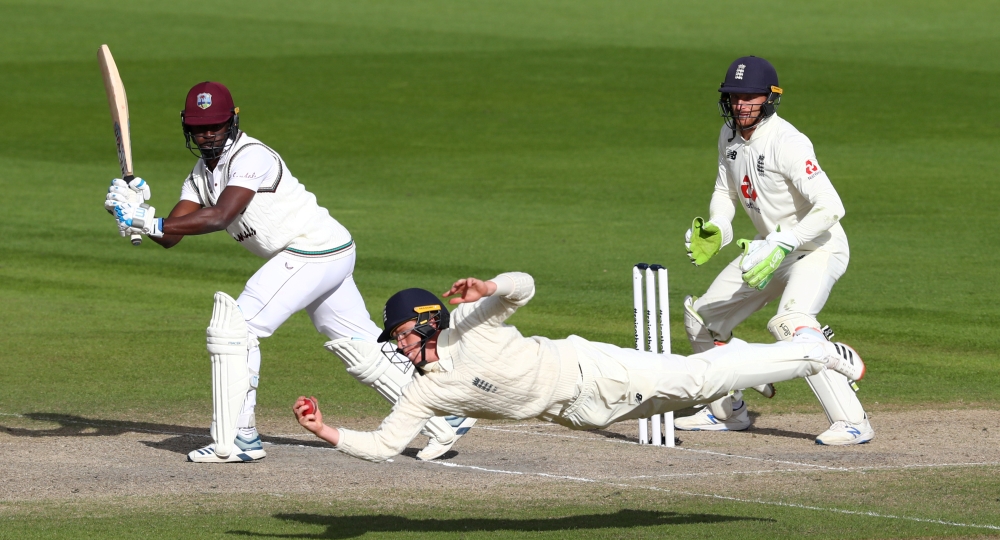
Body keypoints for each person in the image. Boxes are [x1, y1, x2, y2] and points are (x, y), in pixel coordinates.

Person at [104, 81, 474, 463]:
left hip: (312, 249)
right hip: (322, 252)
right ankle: (445, 412)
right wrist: (134, 214)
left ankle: (238, 438)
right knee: (359, 345)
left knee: (237, 328)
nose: (206, 134)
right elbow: (170, 236)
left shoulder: (251, 157)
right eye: (199, 127)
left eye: (214, 125)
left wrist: (148, 221)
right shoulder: (200, 174)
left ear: (232, 121)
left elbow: (221, 216)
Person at [292, 272, 866, 463]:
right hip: (582, 413)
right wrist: (326, 430)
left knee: (702, 379)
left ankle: (814, 350)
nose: (395, 346)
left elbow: (524, 288)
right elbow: (386, 446)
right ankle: (759, 365)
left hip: (593, 369)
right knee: (697, 394)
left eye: (396, 333)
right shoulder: (425, 394)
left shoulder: (470, 324)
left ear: (421, 322)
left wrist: (488, 286)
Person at [678, 56, 872, 445]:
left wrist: (786, 240)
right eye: (733, 97)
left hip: (817, 248)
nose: (739, 105)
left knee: (791, 323)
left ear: (769, 98)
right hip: (769, 251)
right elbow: (724, 190)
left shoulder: (788, 142)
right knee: (702, 318)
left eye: (749, 97)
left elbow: (832, 208)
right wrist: (720, 225)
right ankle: (727, 412)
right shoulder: (729, 137)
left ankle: (853, 422)